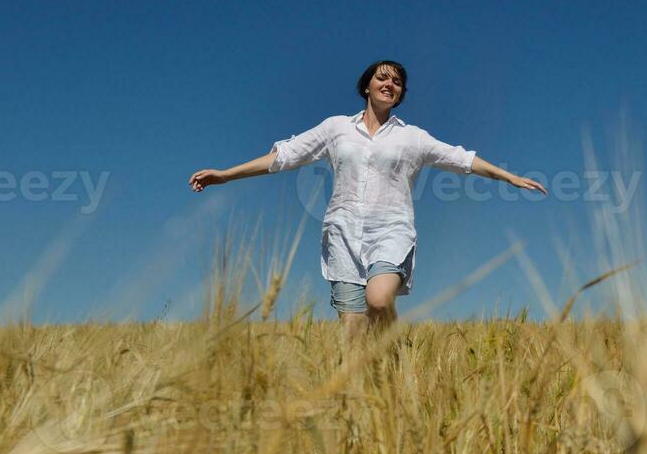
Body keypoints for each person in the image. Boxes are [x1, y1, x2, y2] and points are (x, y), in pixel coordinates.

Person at [188, 60, 546, 336]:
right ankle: (373, 391)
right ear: (366, 86)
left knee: (378, 299)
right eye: (382, 78)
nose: (390, 84)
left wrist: (509, 177)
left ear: (401, 95)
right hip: (342, 233)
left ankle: (391, 342)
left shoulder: (412, 137)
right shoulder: (336, 128)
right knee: (354, 332)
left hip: (391, 230)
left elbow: (461, 159)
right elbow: (286, 156)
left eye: (397, 82)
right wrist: (225, 174)